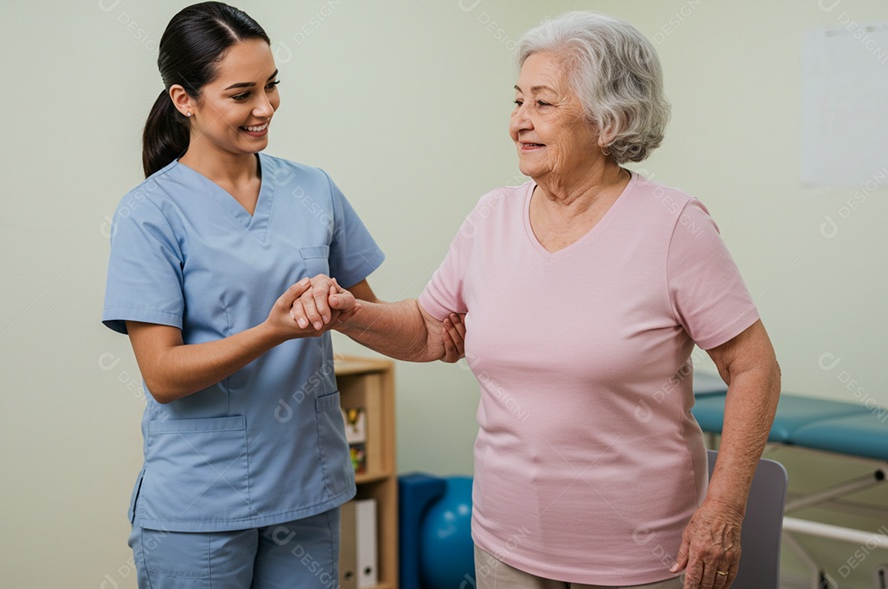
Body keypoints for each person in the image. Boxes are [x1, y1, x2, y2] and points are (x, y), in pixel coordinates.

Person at [295, 10, 780, 589]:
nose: (518, 121)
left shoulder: (674, 225)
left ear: (611, 120)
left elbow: (754, 368)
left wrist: (723, 509)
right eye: (517, 100)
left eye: (543, 103)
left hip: (641, 557)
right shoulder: (491, 216)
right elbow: (428, 329)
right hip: (505, 548)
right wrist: (350, 314)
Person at [101, 3, 462, 587]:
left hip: (306, 488)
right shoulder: (149, 213)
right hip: (201, 501)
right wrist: (272, 331)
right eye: (241, 94)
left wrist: (424, 326)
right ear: (184, 99)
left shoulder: (312, 189)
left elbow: (371, 319)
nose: (265, 107)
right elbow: (162, 374)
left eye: (271, 85)